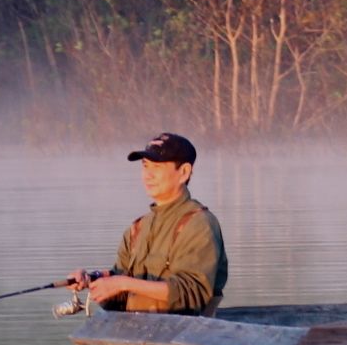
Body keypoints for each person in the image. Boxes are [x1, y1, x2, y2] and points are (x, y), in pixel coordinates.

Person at [65, 133, 229, 316]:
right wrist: (93, 281)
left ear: (184, 172)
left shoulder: (199, 224)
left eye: (157, 166)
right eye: (145, 166)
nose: (148, 175)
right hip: (137, 333)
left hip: (184, 334)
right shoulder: (137, 230)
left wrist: (123, 283)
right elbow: (121, 296)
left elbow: (192, 294)